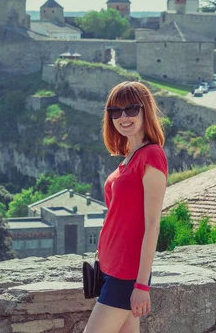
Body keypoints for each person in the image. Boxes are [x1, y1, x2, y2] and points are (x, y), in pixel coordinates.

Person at [84, 81, 168, 333]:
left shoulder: (151, 156)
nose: (123, 117)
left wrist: (142, 286)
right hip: (111, 269)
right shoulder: (129, 157)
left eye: (131, 109)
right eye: (115, 112)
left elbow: (152, 226)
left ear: (146, 111)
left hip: (126, 273)